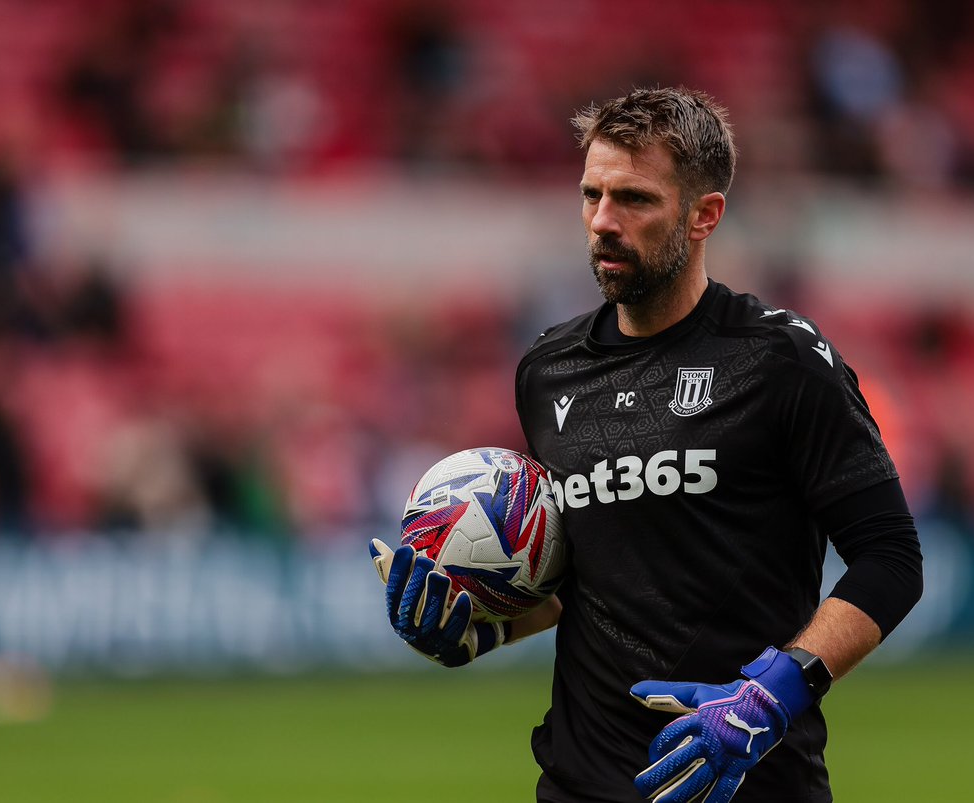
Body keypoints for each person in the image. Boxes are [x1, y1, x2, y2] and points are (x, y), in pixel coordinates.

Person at [370, 86, 923, 803]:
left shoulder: (780, 360)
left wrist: (775, 693)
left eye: (634, 199)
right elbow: (593, 572)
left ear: (704, 216)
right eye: (591, 195)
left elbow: (892, 559)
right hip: (580, 782)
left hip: (743, 783)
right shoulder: (547, 369)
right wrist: (483, 633)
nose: (602, 221)